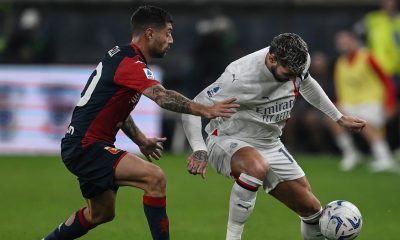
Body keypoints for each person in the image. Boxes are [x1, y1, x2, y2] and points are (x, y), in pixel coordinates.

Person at [42, 5, 238, 240]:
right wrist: (206, 109)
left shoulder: (122, 57)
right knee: (155, 178)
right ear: (149, 34)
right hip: (87, 146)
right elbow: (162, 96)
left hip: (82, 145)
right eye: (168, 33)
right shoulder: (130, 62)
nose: (172, 40)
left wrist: (141, 140)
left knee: (100, 214)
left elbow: (116, 109)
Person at [182, 33, 366, 240]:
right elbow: (192, 107)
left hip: (270, 143)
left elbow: (306, 83)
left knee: (312, 210)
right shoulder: (239, 77)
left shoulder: (299, 63)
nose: (292, 80)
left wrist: (338, 118)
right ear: (271, 59)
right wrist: (199, 149)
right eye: (287, 74)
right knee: (256, 167)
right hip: (227, 138)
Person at [328, 30, 397, 171]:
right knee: (331, 115)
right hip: (350, 103)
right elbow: (340, 88)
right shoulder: (340, 64)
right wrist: (338, 106)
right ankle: (351, 153)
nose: (344, 45)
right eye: (341, 43)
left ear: (353, 41)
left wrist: (389, 103)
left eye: (346, 41)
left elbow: (386, 80)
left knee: (364, 122)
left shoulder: (367, 57)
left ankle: (385, 158)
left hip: (371, 102)